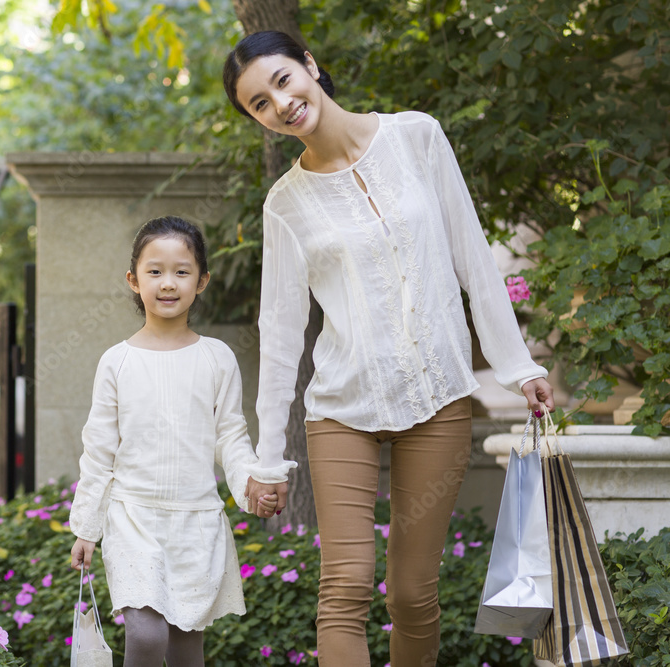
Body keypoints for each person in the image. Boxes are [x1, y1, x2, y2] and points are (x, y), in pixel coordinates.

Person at [222, 31, 556, 667]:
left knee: (411, 593)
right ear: (258, 120)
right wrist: (267, 458)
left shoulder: (417, 137)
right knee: (345, 589)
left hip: (439, 396)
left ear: (310, 66)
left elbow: (472, 257)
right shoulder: (285, 204)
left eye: (283, 81)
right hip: (341, 407)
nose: (281, 104)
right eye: (260, 103)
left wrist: (517, 367)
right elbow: (282, 330)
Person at [68, 216, 280, 666]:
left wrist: (253, 484)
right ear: (133, 280)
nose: (168, 283)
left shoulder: (217, 358)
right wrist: (87, 527)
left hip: (196, 522)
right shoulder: (117, 362)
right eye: (155, 271)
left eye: (182, 272)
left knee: (186, 649)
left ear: (201, 281)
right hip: (132, 519)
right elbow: (99, 450)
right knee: (146, 637)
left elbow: (231, 437)